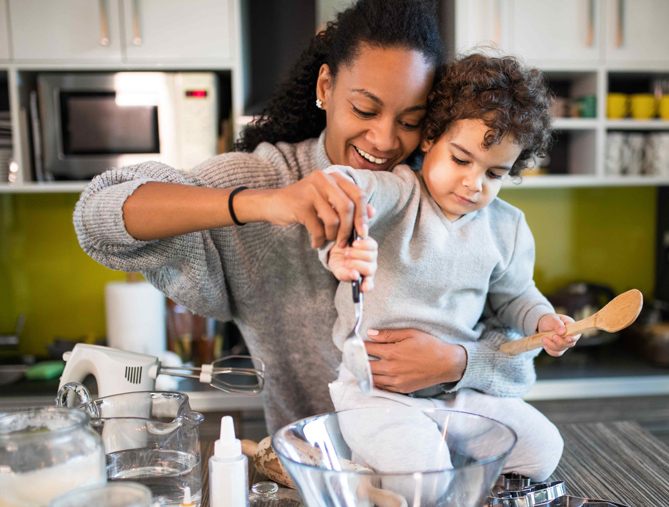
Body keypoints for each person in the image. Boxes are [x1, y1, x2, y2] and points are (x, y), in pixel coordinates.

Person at [73, 0, 540, 433]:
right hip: (312, 481)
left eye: (410, 120)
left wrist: (458, 362)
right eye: (364, 108)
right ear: (325, 87)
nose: (383, 140)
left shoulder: (450, 199)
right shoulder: (270, 176)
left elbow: (521, 348)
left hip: (440, 465)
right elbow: (98, 217)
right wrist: (268, 202)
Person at [322, 54, 572, 482]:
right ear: (429, 139)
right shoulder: (399, 192)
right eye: (461, 159)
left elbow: (515, 297)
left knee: (544, 451)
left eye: (494, 172)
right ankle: (413, 466)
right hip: (376, 394)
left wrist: (543, 319)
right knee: (427, 478)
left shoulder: (506, 227)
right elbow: (346, 187)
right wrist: (342, 245)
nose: (474, 183)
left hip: (459, 394)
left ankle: (423, 462)